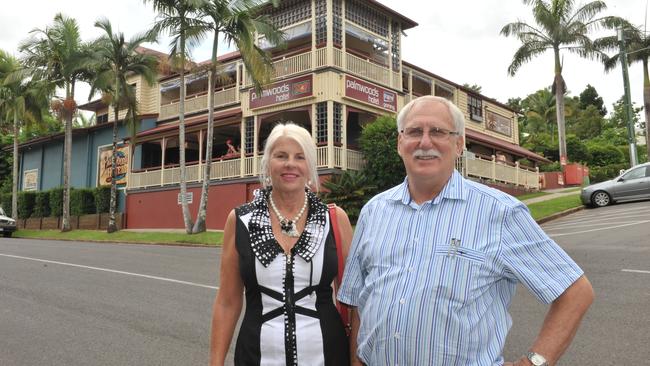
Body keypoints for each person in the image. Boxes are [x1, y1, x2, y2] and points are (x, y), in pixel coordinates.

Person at [337, 96, 594, 366]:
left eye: (438, 131)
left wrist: (535, 362)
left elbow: (575, 292)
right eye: (414, 131)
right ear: (400, 143)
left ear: (459, 144)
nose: (425, 142)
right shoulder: (374, 212)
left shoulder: (500, 213)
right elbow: (359, 300)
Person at [209, 122, 353, 366]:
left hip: (328, 355)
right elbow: (227, 301)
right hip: (256, 356)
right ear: (267, 164)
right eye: (281, 156)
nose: (290, 164)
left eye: (300, 157)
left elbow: (352, 300)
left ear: (309, 166)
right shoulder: (240, 220)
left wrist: (356, 360)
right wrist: (215, 362)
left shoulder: (334, 219)